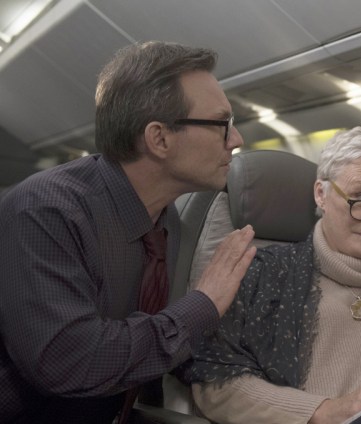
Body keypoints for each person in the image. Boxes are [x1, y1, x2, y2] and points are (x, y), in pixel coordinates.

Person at [0, 41, 257, 423]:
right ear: (159, 139)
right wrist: (204, 302)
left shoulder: (166, 219)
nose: (236, 140)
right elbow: (71, 363)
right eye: (222, 125)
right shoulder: (46, 211)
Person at [183, 126, 361, 424]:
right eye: (360, 197)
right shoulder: (261, 273)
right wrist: (322, 410)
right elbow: (215, 383)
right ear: (321, 194)